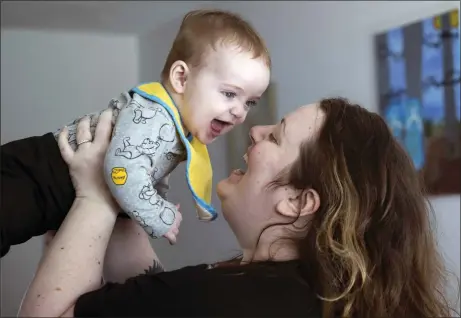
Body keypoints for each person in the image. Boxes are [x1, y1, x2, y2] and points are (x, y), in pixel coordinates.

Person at [19, 98, 457, 318]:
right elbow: (147, 296)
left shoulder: (231, 301)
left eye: (277, 137)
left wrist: (94, 195)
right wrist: (129, 190)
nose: (255, 130)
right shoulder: (305, 295)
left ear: (299, 202)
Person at [0, 9, 271, 257]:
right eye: (229, 94)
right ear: (181, 78)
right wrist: (157, 214)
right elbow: (122, 169)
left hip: (48, 194)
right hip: (32, 174)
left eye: (250, 102)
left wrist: (156, 198)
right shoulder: (154, 114)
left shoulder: (176, 129)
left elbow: (150, 169)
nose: (240, 112)